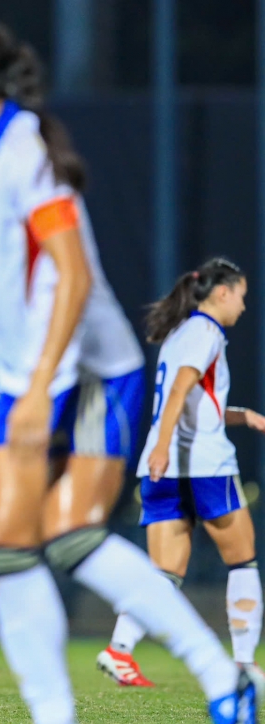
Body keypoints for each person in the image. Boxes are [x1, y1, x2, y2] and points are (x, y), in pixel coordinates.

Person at [0, 13, 256, 724]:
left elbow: (72, 275)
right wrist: (26, 382)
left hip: (93, 371)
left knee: (66, 536)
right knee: (9, 546)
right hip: (24, 376)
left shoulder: (23, 152)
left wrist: (41, 388)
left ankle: (220, 677)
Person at [98, 259, 265, 690]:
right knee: (243, 559)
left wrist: (242, 416)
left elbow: (193, 405)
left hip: (164, 468)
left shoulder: (178, 334)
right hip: (203, 464)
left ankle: (119, 650)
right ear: (222, 292)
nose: (243, 306)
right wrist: (162, 445)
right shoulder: (206, 332)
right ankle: (244, 663)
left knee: (165, 571)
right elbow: (181, 389)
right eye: (241, 296)